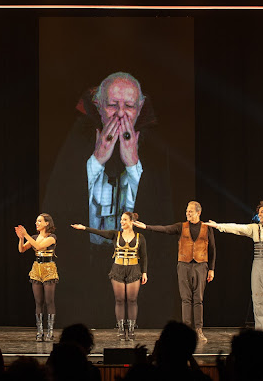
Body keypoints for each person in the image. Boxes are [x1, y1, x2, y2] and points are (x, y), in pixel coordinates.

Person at [205, 201, 263, 341]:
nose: (259, 215)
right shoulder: (255, 229)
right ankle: (261, 335)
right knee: (258, 301)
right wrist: (218, 226)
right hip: (258, 266)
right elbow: (237, 228)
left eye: (262, 212)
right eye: (258, 213)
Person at [133, 201, 215, 342]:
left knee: (198, 299)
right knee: (185, 299)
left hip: (201, 266)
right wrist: (146, 226)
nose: (187, 213)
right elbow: (165, 229)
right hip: (184, 265)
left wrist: (211, 269)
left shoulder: (207, 228)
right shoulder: (181, 226)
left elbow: (212, 249)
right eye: (187, 211)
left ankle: (199, 330)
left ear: (198, 212)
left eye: (190, 211)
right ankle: (186, 330)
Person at [86, 72, 146, 245]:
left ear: (140, 107)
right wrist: (97, 160)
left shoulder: (156, 151)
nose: (120, 114)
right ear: (98, 105)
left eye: (129, 106)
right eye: (112, 105)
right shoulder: (78, 139)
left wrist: (133, 164)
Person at [71, 211, 148, 340]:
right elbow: (98, 232)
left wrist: (144, 272)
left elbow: (144, 256)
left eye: (124, 220)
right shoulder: (115, 234)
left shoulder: (140, 237)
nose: (121, 222)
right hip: (118, 269)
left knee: (132, 300)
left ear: (131, 222)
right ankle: (121, 329)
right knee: (119, 299)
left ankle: (131, 329)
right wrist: (84, 228)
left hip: (134, 269)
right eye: (121, 219)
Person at [15, 213, 59, 341]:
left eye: (39, 221)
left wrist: (26, 234)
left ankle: (50, 331)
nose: (36, 223)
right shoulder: (34, 237)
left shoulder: (52, 237)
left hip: (48, 269)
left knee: (49, 301)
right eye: (36, 221)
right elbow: (22, 249)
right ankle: (40, 332)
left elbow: (39, 246)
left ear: (47, 223)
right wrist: (21, 238)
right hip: (36, 269)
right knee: (38, 302)